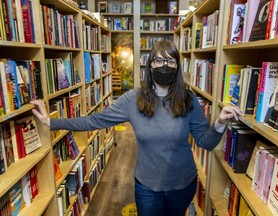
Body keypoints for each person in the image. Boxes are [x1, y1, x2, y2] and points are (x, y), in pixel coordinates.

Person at [31, 40, 243, 216]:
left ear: (178, 66)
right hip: (147, 187)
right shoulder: (133, 99)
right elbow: (94, 121)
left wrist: (219, 123)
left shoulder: (187, 100)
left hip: (183, 183)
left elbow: (206, 142)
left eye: (170, 61)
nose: (164, 66)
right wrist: (52, 122)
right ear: (150, 65)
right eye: (159, 60)